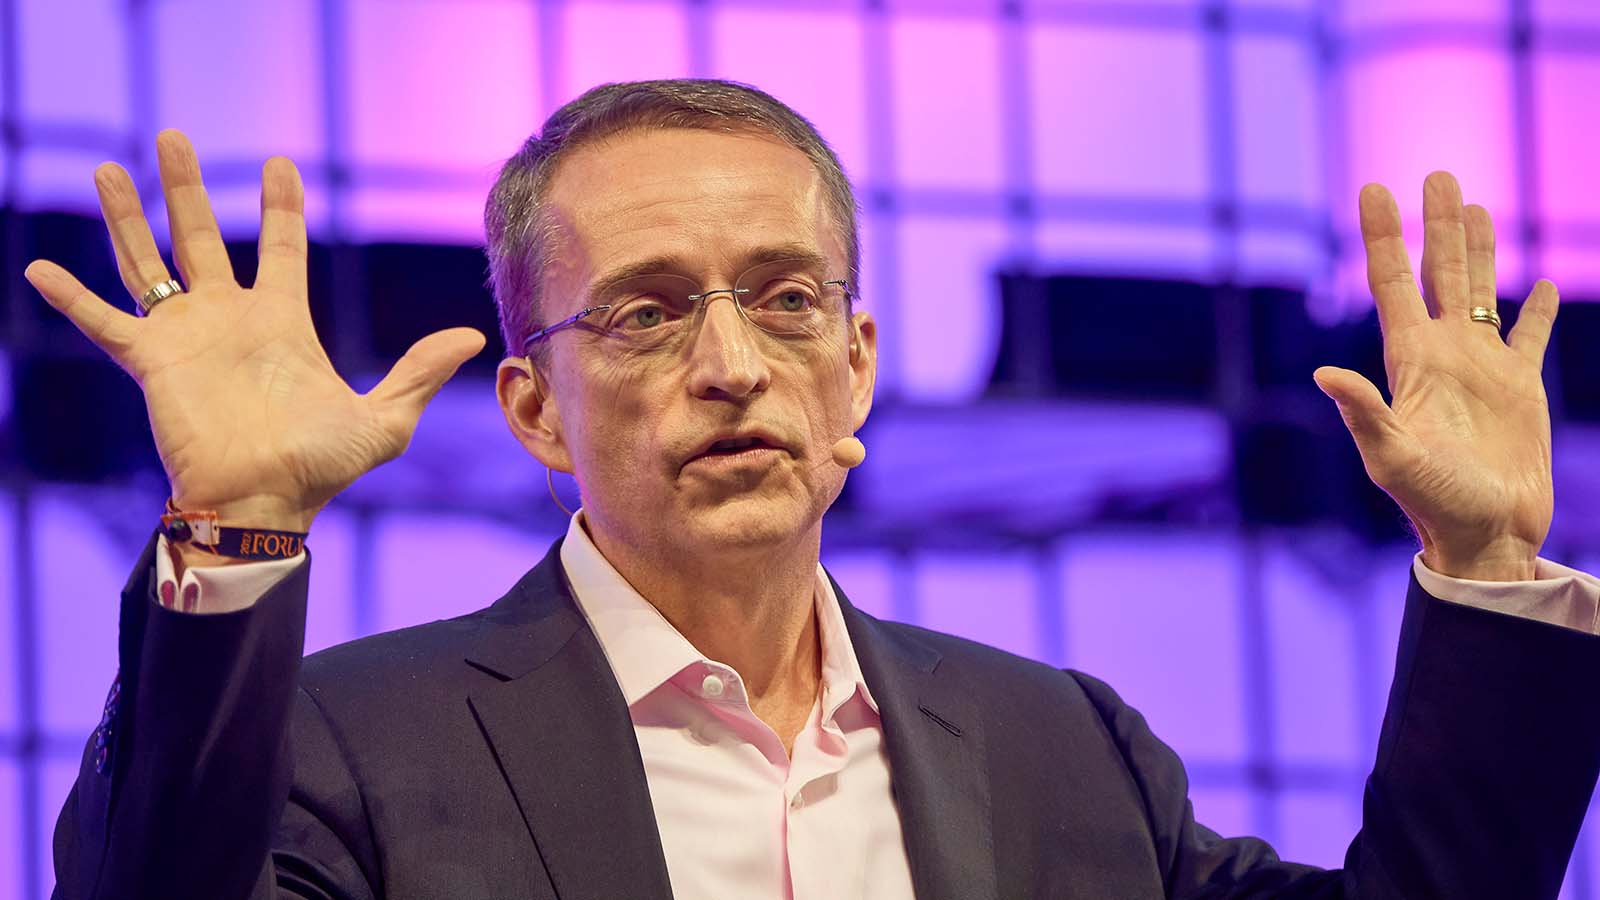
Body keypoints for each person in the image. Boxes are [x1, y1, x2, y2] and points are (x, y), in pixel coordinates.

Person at [27, 79, 1600, 900]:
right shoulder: (341, 746)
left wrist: (1485, 557)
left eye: (787, 300)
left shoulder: (1069, 751)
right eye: (646, 311)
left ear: (855, 367)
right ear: (534, 411)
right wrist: (238, 529)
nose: (732, 363)